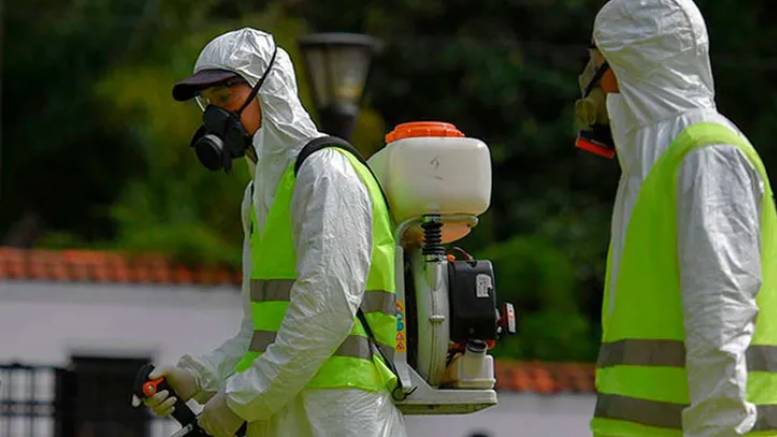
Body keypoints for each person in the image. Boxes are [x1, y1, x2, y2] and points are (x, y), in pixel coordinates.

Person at [134, 28, 406, 437]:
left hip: (341, 417)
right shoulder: (261, 192)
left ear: (270, 87)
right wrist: (200, 378)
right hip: (282, 415)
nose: (216, 116)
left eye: (226, 98)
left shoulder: (326, 173)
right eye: (208, 104)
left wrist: (239, 402)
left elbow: (324, 313)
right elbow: (260, 336)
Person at [575, 1, 777, 435]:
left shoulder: (706, 155)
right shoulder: (655, 164)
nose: (589, 76)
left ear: (627, 62)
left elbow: (720, 319)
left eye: (596, 59)